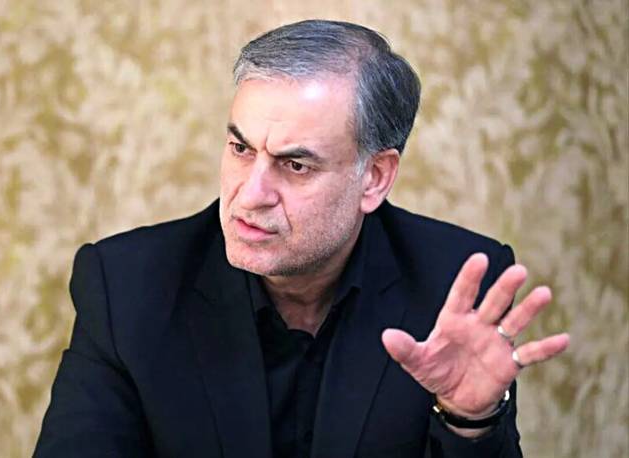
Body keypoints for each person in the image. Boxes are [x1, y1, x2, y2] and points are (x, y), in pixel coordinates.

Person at [34, 20, 569, 458]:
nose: (250, 195)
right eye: (241, 149)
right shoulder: (127, 286)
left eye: (295, 165)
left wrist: (470, 420)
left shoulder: (454, 286)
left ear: (375, 177)